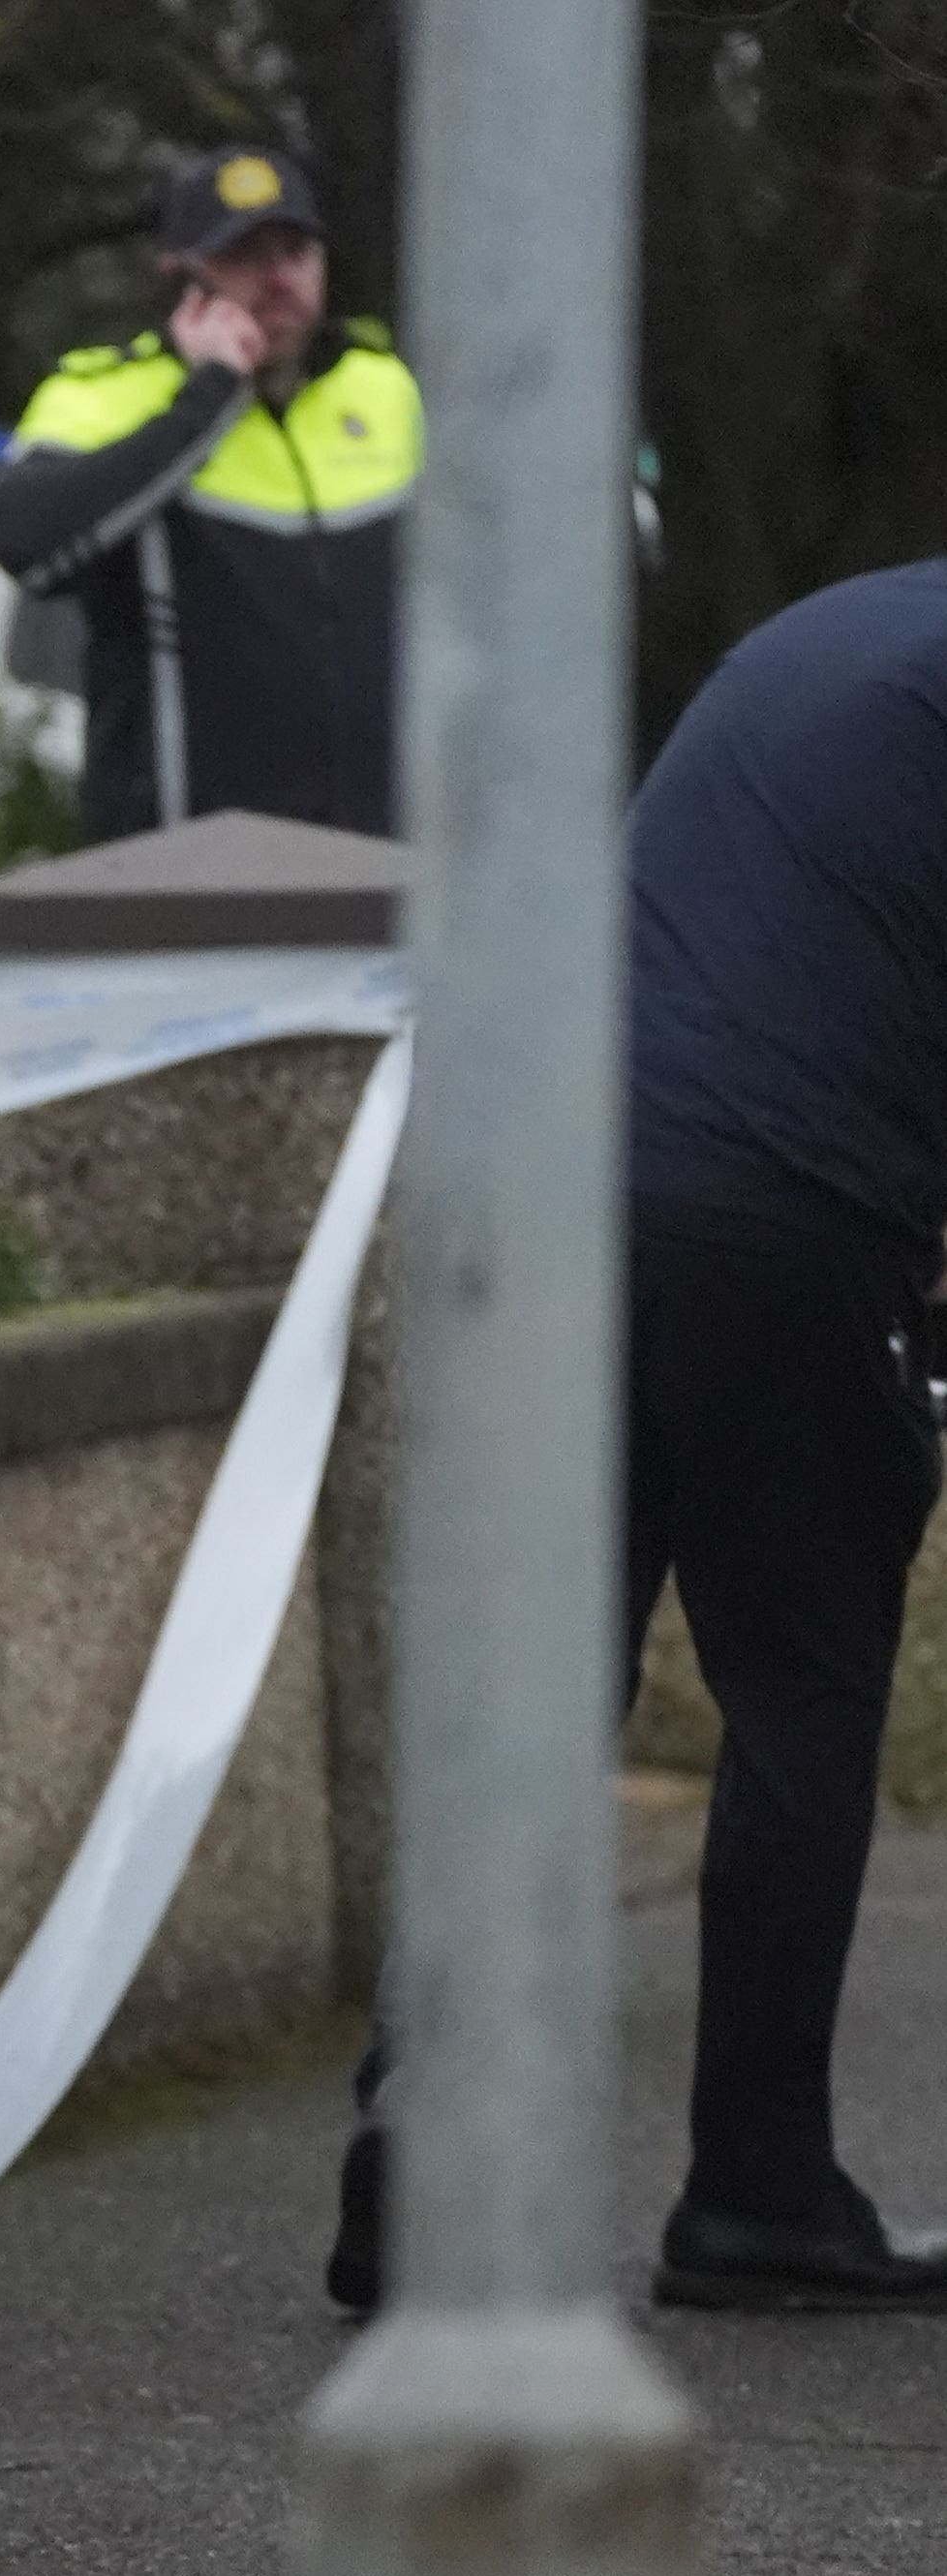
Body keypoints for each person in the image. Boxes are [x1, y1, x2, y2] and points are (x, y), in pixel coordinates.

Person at [331, 562, 947, 2314]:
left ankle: (422, 2148)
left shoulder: (842, 630)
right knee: (802, 1685)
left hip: (544, 1163)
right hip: (773, 1197)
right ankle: (756, 2192)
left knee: (541, 1673)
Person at [0, 146, 421, 843]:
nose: (276, 280)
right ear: (181, 279)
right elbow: (23, 540)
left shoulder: (384, 389)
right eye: (244, 256)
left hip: (386, 868)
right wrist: (207, 399)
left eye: (293, 252)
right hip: (193, 878)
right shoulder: (102, 397)